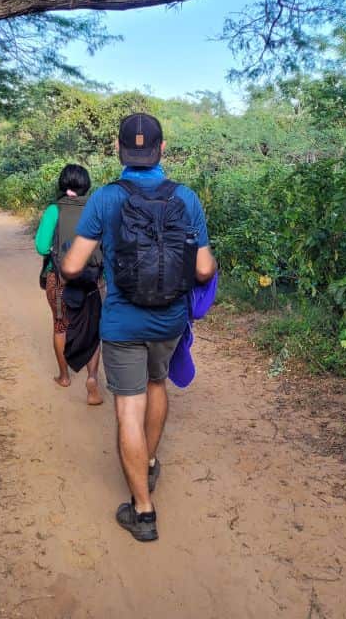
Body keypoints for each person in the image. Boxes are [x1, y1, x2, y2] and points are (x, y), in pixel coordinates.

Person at [62, 113, 216, 542]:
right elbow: (203, 268)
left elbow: (73, 264)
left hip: (122, 322)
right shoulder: (186, 198)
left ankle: (143, 511)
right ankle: (147, 464)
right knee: (156, 386)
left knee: (127, 408)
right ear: (162, 149)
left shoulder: (106, 199)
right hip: (168, 319)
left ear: (119, 149)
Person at [34, 164, 104, 405]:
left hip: (60, 278)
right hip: (93, 279)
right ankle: (92, 378)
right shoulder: (96, 208)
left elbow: (42, 247)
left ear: (63, 184)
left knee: (60, 326)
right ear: (86, 184)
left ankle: (64, 376)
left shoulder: (55, 209)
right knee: (92, 330)